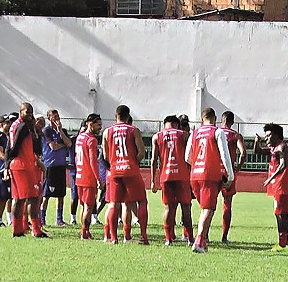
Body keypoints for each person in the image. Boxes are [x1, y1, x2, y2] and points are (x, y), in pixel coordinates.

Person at [185, 107, 235, 253]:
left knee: (205, 209)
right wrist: (230, 176)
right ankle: (199, 240)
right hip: (210, 175)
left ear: (202, 118)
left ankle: (203, 241)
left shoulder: (194, 133)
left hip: (195, 175)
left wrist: (197, 164)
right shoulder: (217, 132)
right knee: (208, 208)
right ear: (215, 118)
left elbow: (187, 156)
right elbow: (225, 155)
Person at [101, 105, 149, 245]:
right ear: (128, 116)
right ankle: (137, 236)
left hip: (115, 171)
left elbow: (105, 155)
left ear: (115, 115)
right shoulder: (134, 130)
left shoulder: (106, 132)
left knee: (114, 204)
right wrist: (133, 162)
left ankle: (113, 237)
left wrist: (116, 163)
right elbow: (141, 152)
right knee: (139, 202)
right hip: (131, 170)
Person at [6, 102, 48, 238]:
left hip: (16, 165)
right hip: (24, 165)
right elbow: (16, 145)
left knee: (18, 199)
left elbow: (9, 146)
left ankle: (17, 229)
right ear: (20, 112)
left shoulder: (15, 125)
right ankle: (36, 230)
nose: (30, 115)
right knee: (33, 198)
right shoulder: (23, 126)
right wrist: (34, 131)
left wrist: (8, 163)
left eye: (31, 113)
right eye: (27, 112)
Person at [151, 115, 193, 246]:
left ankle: (168, 239)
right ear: (177, 124)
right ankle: (190, 238)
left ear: (165, 124)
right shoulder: (184, 135)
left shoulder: (157, 136)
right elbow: (190, 156)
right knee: (186, 207)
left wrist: (153, 181)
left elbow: (153, 160)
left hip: (166, 176)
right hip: (182, 176)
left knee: (168, 207)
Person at [254, 123, 288, 251]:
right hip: (277, 185)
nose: (266, 138)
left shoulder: (282, 147)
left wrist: (270, 178)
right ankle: (283, 242)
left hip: (282, 184)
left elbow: (283, 165)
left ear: (276, 135)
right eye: (265, 136)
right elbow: (258, 151)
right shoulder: (274, 148)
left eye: (268, 135)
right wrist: (257, 142)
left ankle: (282, 244)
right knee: (280, 213)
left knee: (281, 214)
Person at [40, 109, 72, 227]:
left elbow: (69, 143)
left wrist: (60, 131)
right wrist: (63, 145)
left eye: (58, 115)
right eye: (54, 116)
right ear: (49, 118)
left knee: (61, 194)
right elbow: (53, 146)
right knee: (46, 194)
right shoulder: (46, 131)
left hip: (61, 165)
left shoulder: (62, 130)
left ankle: (59, 219)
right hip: (50, 165)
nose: (57, 118)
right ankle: (42, 218)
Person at [218, 111, 246, 244]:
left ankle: (204, 235)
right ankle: (224, 237)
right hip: (228, 172)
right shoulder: (236, 135)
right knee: (227, 204)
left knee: (208, 205)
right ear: (232, 122)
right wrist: (238, 168)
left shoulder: (215, 132)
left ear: (221, 120)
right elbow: (243, 153)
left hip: (214, 170)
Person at [74, 113, 104, 240]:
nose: (100, 128)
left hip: (79, 176)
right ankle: (85, 232)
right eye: (98, 125)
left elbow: (76, 157)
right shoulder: (91, 140)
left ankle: (84, 231)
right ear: (90, 123)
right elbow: (93, 161)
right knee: (89, 207)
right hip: (88, 177)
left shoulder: (80, 137)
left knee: (84, 206)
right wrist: (98, 179)